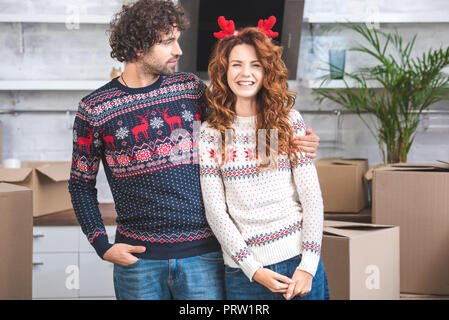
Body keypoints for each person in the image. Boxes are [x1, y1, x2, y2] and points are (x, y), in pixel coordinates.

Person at [68, 0, 320, 300]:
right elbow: (80, 184)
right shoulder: (95, 109)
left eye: (178, 40)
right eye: (169, 42)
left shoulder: (191, 89)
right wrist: (102, 244)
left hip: (204, 256)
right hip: (139, 261)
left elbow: (247, 117)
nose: (179, 50)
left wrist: (297, 140)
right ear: (138, 45)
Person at [199, 21, 329, 300]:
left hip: (299, 263)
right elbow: (216, 212)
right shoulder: (211, 133)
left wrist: (308, 266)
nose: (245, 73)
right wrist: (253, 268)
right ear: (224, 70)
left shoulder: (288, 121)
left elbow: (311, 197)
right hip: (245, 274)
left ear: (267, 70)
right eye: (236, 64)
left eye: (255, 65)